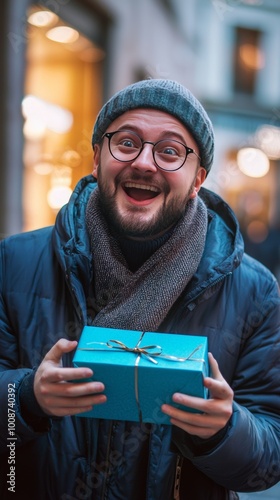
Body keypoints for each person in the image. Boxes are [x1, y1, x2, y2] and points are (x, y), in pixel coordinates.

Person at [0, 79, 279, 500]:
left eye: (169, 151)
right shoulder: (13, 263)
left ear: (198, 178)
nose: (144, 163)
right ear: (97, 158)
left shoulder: (255, 293)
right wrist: (25, 399)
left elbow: (268, 460)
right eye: (126, 143)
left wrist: (225, 430)